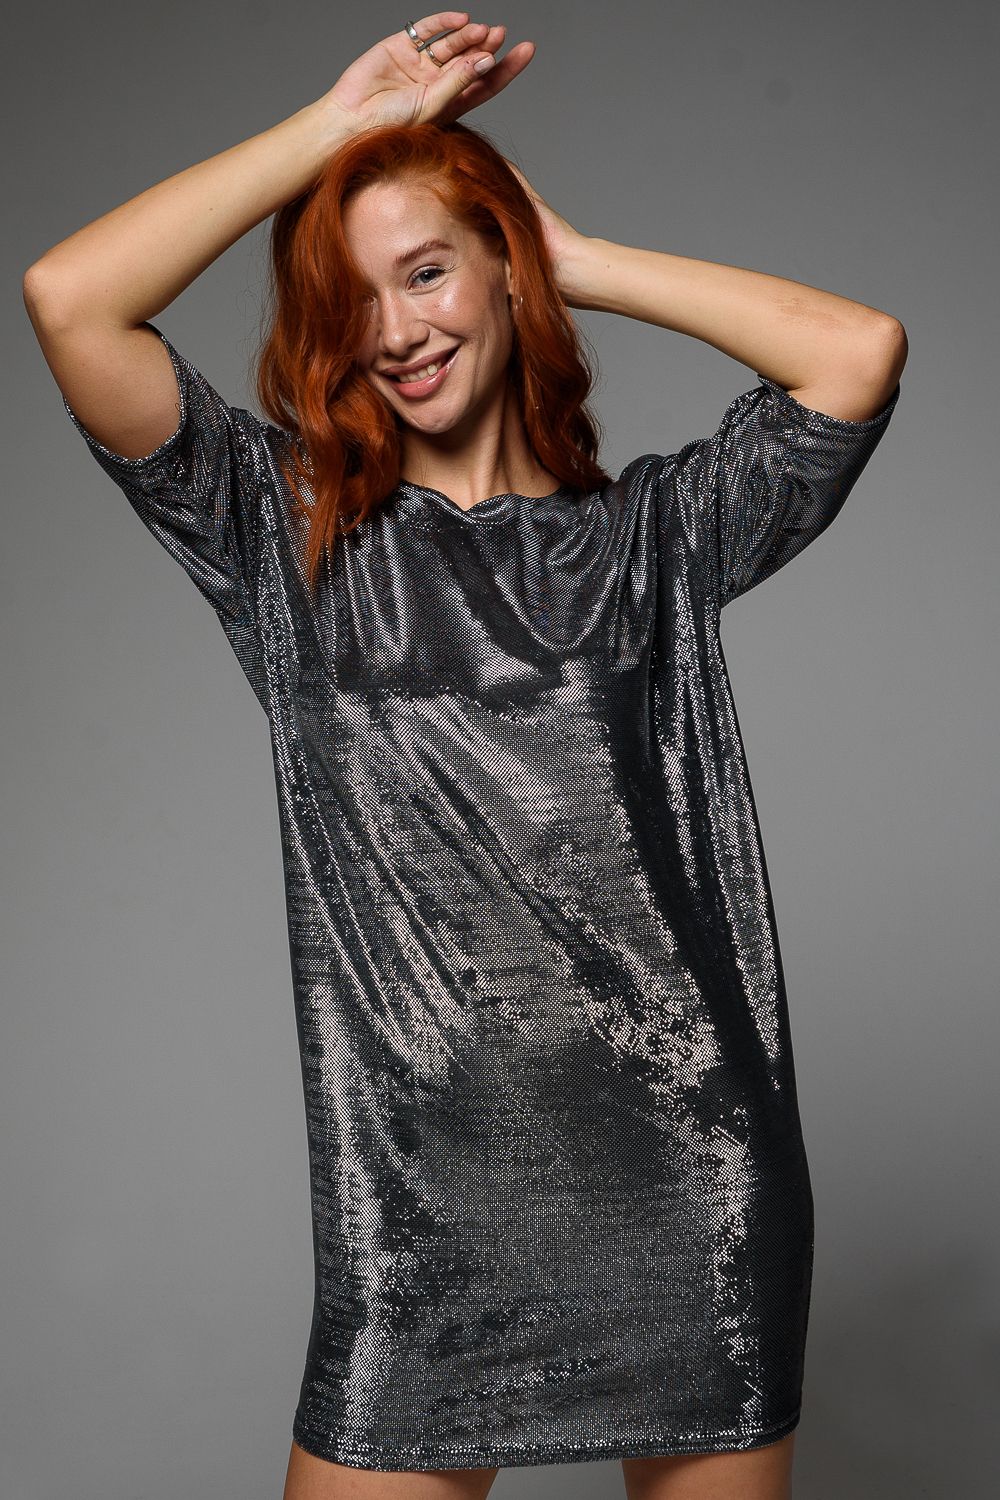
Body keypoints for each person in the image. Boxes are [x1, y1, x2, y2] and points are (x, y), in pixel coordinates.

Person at [23, 13, 906, 1500]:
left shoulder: (651, 540)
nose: (394, 331)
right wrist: (335, 128)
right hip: (421, 1221)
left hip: (688, 1183)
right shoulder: (286, 537)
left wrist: (579, 259)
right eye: (351, 300)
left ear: (506, 270)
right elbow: (71, 300)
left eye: (428, 271)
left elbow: (856, 355)